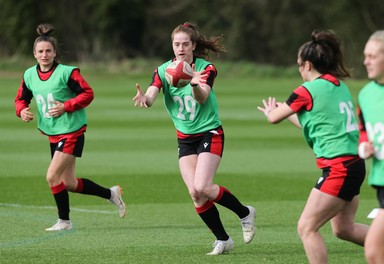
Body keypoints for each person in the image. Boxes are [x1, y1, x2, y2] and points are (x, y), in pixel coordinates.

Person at [132, 22, 256, 255]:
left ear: (194, 45)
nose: (180, 48)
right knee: (196, 193)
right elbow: (151, 95)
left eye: (185, 44)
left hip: (210, 132)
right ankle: (223, 239)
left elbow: (202, 98)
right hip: (185, 139)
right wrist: (145, 99)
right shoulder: (163, 70)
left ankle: (244, 213)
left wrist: (193, 83)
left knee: (203, 186)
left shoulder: (206, 68)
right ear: (172, 45)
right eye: (176, 44)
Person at [257, 30, 370, 264]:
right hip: (354, 165)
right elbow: (314, 124)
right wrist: (284, 111)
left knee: (306, 227)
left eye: (299, 64)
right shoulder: (338, 86)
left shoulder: (306, 90)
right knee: (344, 229)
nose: (298, 69)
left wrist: (271, 110)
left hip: (338, 167)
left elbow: (274, 117)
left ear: (307, 64)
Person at [14, 24, 126, 231]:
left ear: (55, 53)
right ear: (34, 54)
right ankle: (111, 194)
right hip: (53, 133)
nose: (44, 54)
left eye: (48, 51)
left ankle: (64, 221)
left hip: (72, 131)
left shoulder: (67, 73)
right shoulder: (29, 75)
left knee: (51, 176)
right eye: (40, 51)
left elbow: (87, 93)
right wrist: (21, 110)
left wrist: (66, 106)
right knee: (69, 183)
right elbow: (21, 99)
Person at [358, 22, 384, 264]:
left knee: (375, 251)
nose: (366, 61)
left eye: (373, 56)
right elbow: (365, 128)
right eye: (365, 55)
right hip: (383, 181)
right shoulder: (366, 94)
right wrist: (364, 146)